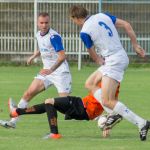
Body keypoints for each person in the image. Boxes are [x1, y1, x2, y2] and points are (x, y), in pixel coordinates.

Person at [69, 5, 149, 141]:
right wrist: (135, 45)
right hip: (119, 56)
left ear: (75, 18)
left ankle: (141, 123)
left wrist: (99, 61)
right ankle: (113, 113)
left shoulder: (84, 32)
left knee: (108, 100)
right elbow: (127, 25)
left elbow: (92, 53)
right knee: (90, 83)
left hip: (113, 61)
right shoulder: (102, 16)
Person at [1, 12, 72, 128]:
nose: (44, 25)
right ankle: (13, 121)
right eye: (42, 23)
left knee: (67, 107)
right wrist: (34, 56)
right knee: (28, 93)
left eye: (46, 23)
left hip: (60, 72)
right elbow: (43, 48)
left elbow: (62, 56)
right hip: (46, 72)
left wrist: (51, 70)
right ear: (37, 23)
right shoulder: (38, 34)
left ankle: (94, 115)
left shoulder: (54, 37)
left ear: (50, 22)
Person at [5, 88, 121, 139]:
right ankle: (16, 112)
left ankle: (54, 133)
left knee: (49, 102)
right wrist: (108, 122)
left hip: (83, 107)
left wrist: (108, 122)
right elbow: (110, 102)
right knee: (49, 104)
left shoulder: (109, 83)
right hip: (82, 105)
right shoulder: (111, 81)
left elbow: (108, 102)